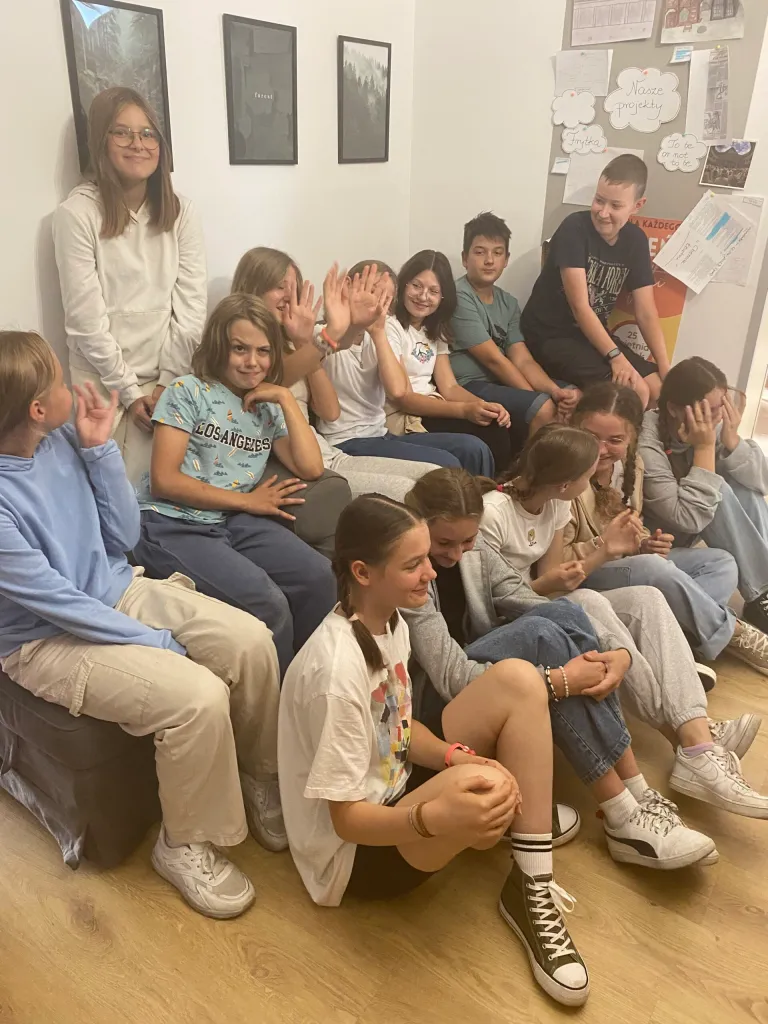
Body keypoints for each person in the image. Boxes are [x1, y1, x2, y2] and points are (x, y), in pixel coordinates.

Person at [0, 330, 282, 920]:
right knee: (197, 696)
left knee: (251, 641)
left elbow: (126, 536)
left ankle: (259, 774)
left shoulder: (61, 441)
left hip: (114, 586)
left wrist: (100, 449)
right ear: (36, 408)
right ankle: (181, 846)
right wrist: (154, 642)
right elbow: (57, 604)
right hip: (44, 640)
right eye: (60, 380)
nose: (72, 386)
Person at [278, 494, 591, 1007]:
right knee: (489, 787)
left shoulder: (389, 622)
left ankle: (530, 878)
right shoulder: (336, 671)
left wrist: (454, 757)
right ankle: (514, 824)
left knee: (517, 680)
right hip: (356, 855)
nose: (431, 573)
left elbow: (399, 729)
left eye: (428, 557)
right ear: (363, 572)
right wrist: (434, 817)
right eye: (413, 564)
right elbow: (346, 821)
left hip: (396, 788)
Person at [401, 467, 720, 867]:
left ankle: (636, 793)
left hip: (479, 676)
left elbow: (531, 600)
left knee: (564, 613)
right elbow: (451, 677)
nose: (455, 554)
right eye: (444, 542)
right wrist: (561, 680)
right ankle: (621, 811)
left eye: (467, 540)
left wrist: (614, 651)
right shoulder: (410, 578)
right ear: (418, 528)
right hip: (433, 709)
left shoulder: (475, 551)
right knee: (541, 634)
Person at [477, 426, 768, 819]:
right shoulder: (494, 513)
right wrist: (558, 579)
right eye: (585, 477)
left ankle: (696, 733)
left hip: (541, 599)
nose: (590, 484)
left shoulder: (555, 503)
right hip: (510, 616)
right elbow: (489, 601)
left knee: (647, 597)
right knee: (590, 601)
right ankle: (694, 743)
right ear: (565, 482)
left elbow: (550, 575)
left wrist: (585, 562)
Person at [133, 294, 336, 675]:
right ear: (218, 347)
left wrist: (285, 398)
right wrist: (247, 502)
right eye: (240, 349)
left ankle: (310, 686)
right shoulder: (187, 391)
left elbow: (311, 467)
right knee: (269, 605)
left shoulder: (268, 405)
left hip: (232, 520)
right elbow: (164, 480)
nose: (252, 362)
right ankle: (277, 705)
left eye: (263, 351)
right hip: (171, 522)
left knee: (320, 577)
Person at [53, 87, 207, 485]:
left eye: (148, 133)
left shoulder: (182, 212)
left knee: (171, 491)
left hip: (167, 381)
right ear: (100, 142)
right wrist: (129, 391)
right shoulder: (77, 214)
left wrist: (167, 384)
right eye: (122, 132)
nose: (138, 144)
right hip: (103, 385)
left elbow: (191, 310)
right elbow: (86, 322)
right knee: (116, 499)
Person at [568, 382, 768, 676]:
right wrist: (606, 546)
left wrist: (644, 542)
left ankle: (684, 642)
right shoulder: (565, 472)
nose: (601, 449)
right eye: (591, 436)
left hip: (625, 562)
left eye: (614, 440)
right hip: (587, 571)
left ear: (630, 438)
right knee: (653, 566)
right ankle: (733, 633)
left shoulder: (631, 465)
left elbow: (633, 525)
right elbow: (555, 561)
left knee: (722, 562)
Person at [231, 247, 439, 502]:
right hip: (308, 459)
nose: (289, 296)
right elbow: (274, 379)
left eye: (294, 288)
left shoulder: (294, 338)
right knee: (417, 492)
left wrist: (351, 326)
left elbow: (330, 410)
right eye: (279, 287)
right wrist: (328, 335)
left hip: (328, 453)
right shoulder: (240, 347)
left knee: (435, 477)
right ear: (253, 287)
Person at [313, 263, 495, 477]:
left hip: (380, 434)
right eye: (371, 291)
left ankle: (488, 498)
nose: (374, 303)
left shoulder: (378, 335)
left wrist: (378, 333)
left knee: (474, 449)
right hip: (345, 441)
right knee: (447, 464)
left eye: (385, 299)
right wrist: (351, 322)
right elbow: (340, 344)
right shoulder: (321, 336)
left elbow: (398, 388)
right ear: (347, 285)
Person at [520, 155, 668, 408]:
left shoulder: (635, 240)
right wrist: (615, 357)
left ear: (637, 205)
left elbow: (646, 312)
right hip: (550, 335)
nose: (603, 212)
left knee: (658, 390)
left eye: (615, 205)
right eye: (599, 200)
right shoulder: (574, 228)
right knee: (635, 392)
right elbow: (580, 307)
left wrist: (666, 368)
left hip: (590, 336)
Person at [639, 356, 768, 643]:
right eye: (709, 411)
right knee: (718, 490)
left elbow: (763, 482)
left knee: (744, 487)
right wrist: (705, 448)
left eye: (722, 407)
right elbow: (687, 517)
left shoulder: (709, 424)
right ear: (674, 408)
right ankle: (761, 594)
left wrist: (733, 443)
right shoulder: (647, 443)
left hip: (690, 529)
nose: (718, 418)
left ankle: (763, 592)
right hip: (657, 540)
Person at [450, 212, 579, 446]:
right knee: (543, 407)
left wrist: (555, 391)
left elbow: (522, 359)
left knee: (573, 396)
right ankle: (529, 468)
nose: (489, 260)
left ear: (506, 259)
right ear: (465, 258)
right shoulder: (459, 295)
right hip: (469, 384)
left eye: (497, 253)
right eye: (480, 252)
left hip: (499, 382)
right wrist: (537, 397)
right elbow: (494, 360)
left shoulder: (508, 303)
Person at [382, 250, 515, 470]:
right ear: (403, 285)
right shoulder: (391, 326)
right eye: (416, 286)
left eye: (433, 291)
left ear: (443, 297)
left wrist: (482, 406)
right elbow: (403, 398)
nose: (423, 296)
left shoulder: (435, 329)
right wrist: (464, 411)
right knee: (479, 441)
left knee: (494, 424)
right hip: (406, 415)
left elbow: (450, 387)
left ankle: (495, 488)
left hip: (432, 404)